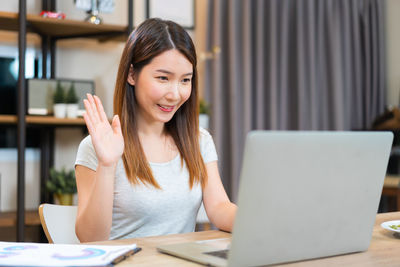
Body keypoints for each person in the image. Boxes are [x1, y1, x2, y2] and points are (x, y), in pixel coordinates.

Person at [74, 18, 237, 242]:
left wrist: (257, 220)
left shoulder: (199, 141)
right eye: (163, 78)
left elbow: (219, 207)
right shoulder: (96, 147)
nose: (175, 94)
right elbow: (90, 238)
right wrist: (107, 164)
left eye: (185, 80)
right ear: (132, 74)